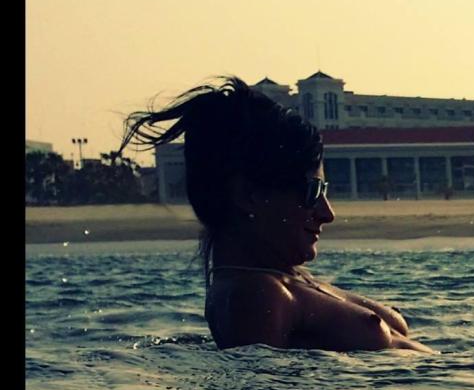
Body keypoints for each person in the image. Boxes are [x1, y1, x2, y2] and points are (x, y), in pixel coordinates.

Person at [119, 77, 437, 353]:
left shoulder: (286, 281)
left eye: (324, 191)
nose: (327, 213)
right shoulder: (256, 296)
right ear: (249, 197)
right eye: (312, 192)